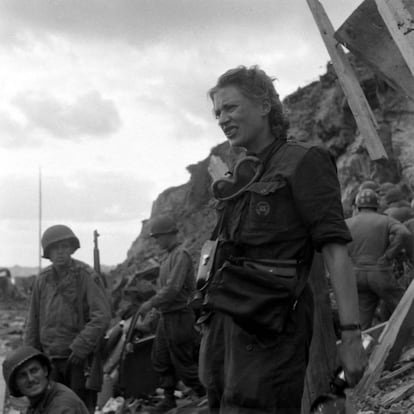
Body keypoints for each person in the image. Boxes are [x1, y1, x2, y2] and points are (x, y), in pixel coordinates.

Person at [199, 65, 366, 413]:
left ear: (264, 105)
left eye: (230, 107)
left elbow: (335, 250)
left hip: (271, 328)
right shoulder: (245, 173)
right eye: (217, 112)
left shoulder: (304, 160)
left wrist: (350, 336)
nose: (222, 118)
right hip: (228, 324)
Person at [24, 224, 111, 414]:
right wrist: (30, 356)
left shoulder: (86, 276)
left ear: (72, 248)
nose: (60, 252)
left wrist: (81, 347)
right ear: (48, 253)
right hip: (49, 359)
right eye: (55, 248)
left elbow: (101, 316)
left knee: (79, 405)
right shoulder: (42, 279)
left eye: (64, 247)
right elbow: (33, 320)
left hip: (78, 359)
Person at [137, 215, 205, 413]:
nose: (156, 241)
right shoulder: (168, 257)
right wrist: (154, 312)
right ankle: (168, 399)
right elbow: (164, 291)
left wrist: (150, 304)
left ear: (168, 235)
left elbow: (173, 288)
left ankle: (207, 394)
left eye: (157, 237)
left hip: (180, 316)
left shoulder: (181, 255)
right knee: (160, 358)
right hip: (166, 317)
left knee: (184, 363)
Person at [346, 189, 410, 329]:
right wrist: (389, 254)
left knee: (362, 323)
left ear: (357, 206)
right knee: (405, 309)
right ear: (376, 205)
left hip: (356, 275)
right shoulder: (385, 219)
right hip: (380, 272)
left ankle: (364, 348)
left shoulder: (347, 223)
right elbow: (404, 233)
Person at [2, 345, 89, 414]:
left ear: (45, 371)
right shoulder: (39, 401)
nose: (31, 379)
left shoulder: (62, 404)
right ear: (15, 385)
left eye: (34, 371)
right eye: (22, 375)